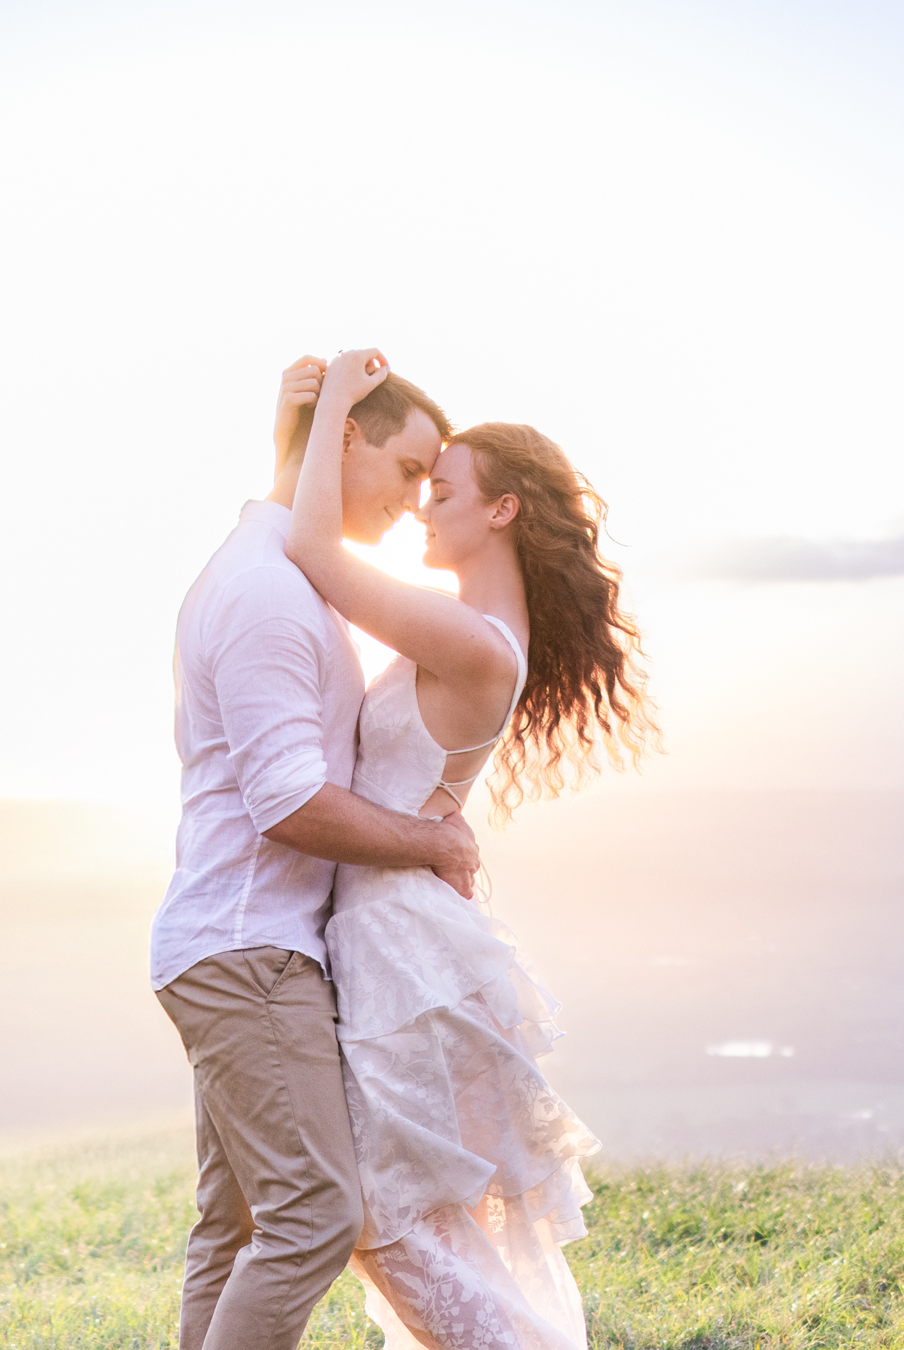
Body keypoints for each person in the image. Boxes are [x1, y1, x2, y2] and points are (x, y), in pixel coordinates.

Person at [285, 347, 660, 1350]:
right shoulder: (479, 628)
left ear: (500, 513)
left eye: (438, 489)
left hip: (401, 947)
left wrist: (333, 417)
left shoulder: (478, 638)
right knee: (401, 1213)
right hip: (397, 931)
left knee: (380, 1214)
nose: (418, 507)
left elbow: (313, 550)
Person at [150, 357, 481, 1350]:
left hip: (228, 944)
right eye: (410, 467)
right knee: (313, 1218)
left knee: (238, 1223)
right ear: (347, 438)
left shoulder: (273, 568)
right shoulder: (267, 593)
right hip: (253, 954)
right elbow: (289, 801)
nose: (417, 499)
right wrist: (432, 840)